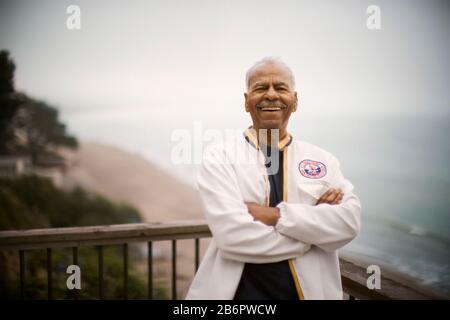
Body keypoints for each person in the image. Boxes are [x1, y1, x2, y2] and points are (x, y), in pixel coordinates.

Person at [185, 57, 361, 300]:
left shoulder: (323, 160)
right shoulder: (220, 157)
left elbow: (348, 222)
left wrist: (276, 216)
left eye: (280, 87)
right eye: (260, 88)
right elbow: (232, 238)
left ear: (295, 101)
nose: (271, 95)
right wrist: (312, 237)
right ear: (246, 102)